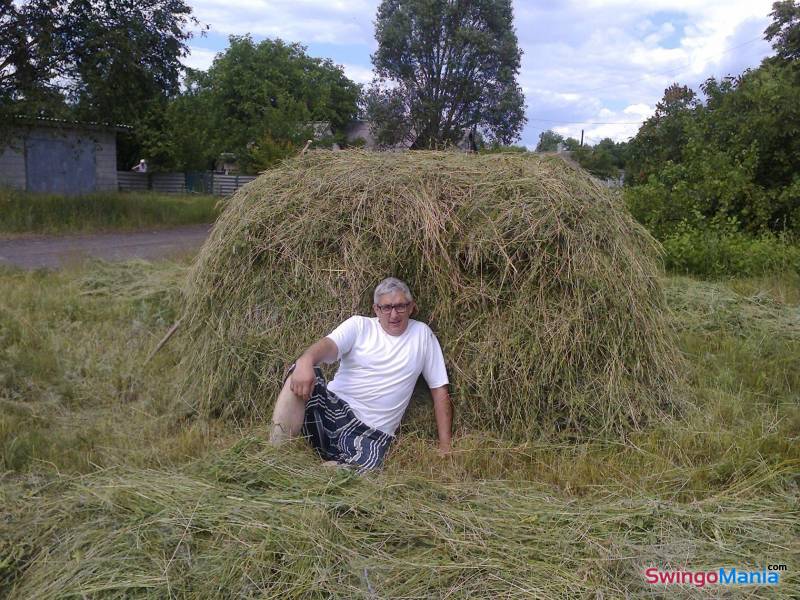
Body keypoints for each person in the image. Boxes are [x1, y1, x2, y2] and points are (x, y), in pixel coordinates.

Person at [270, 277, 452, 471]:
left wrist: (445, 446)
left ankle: (317, 473)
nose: (393, 314)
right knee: (300, 371)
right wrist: (305, 361)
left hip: (370, 433)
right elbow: (328, 345)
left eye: (400, 306)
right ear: (376, 309)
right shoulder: (359, 326)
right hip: (333, 410)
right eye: (386, 307)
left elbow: (439, 390)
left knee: (362, 470)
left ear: (411, 307)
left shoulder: (423, 335)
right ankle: (275, 457)